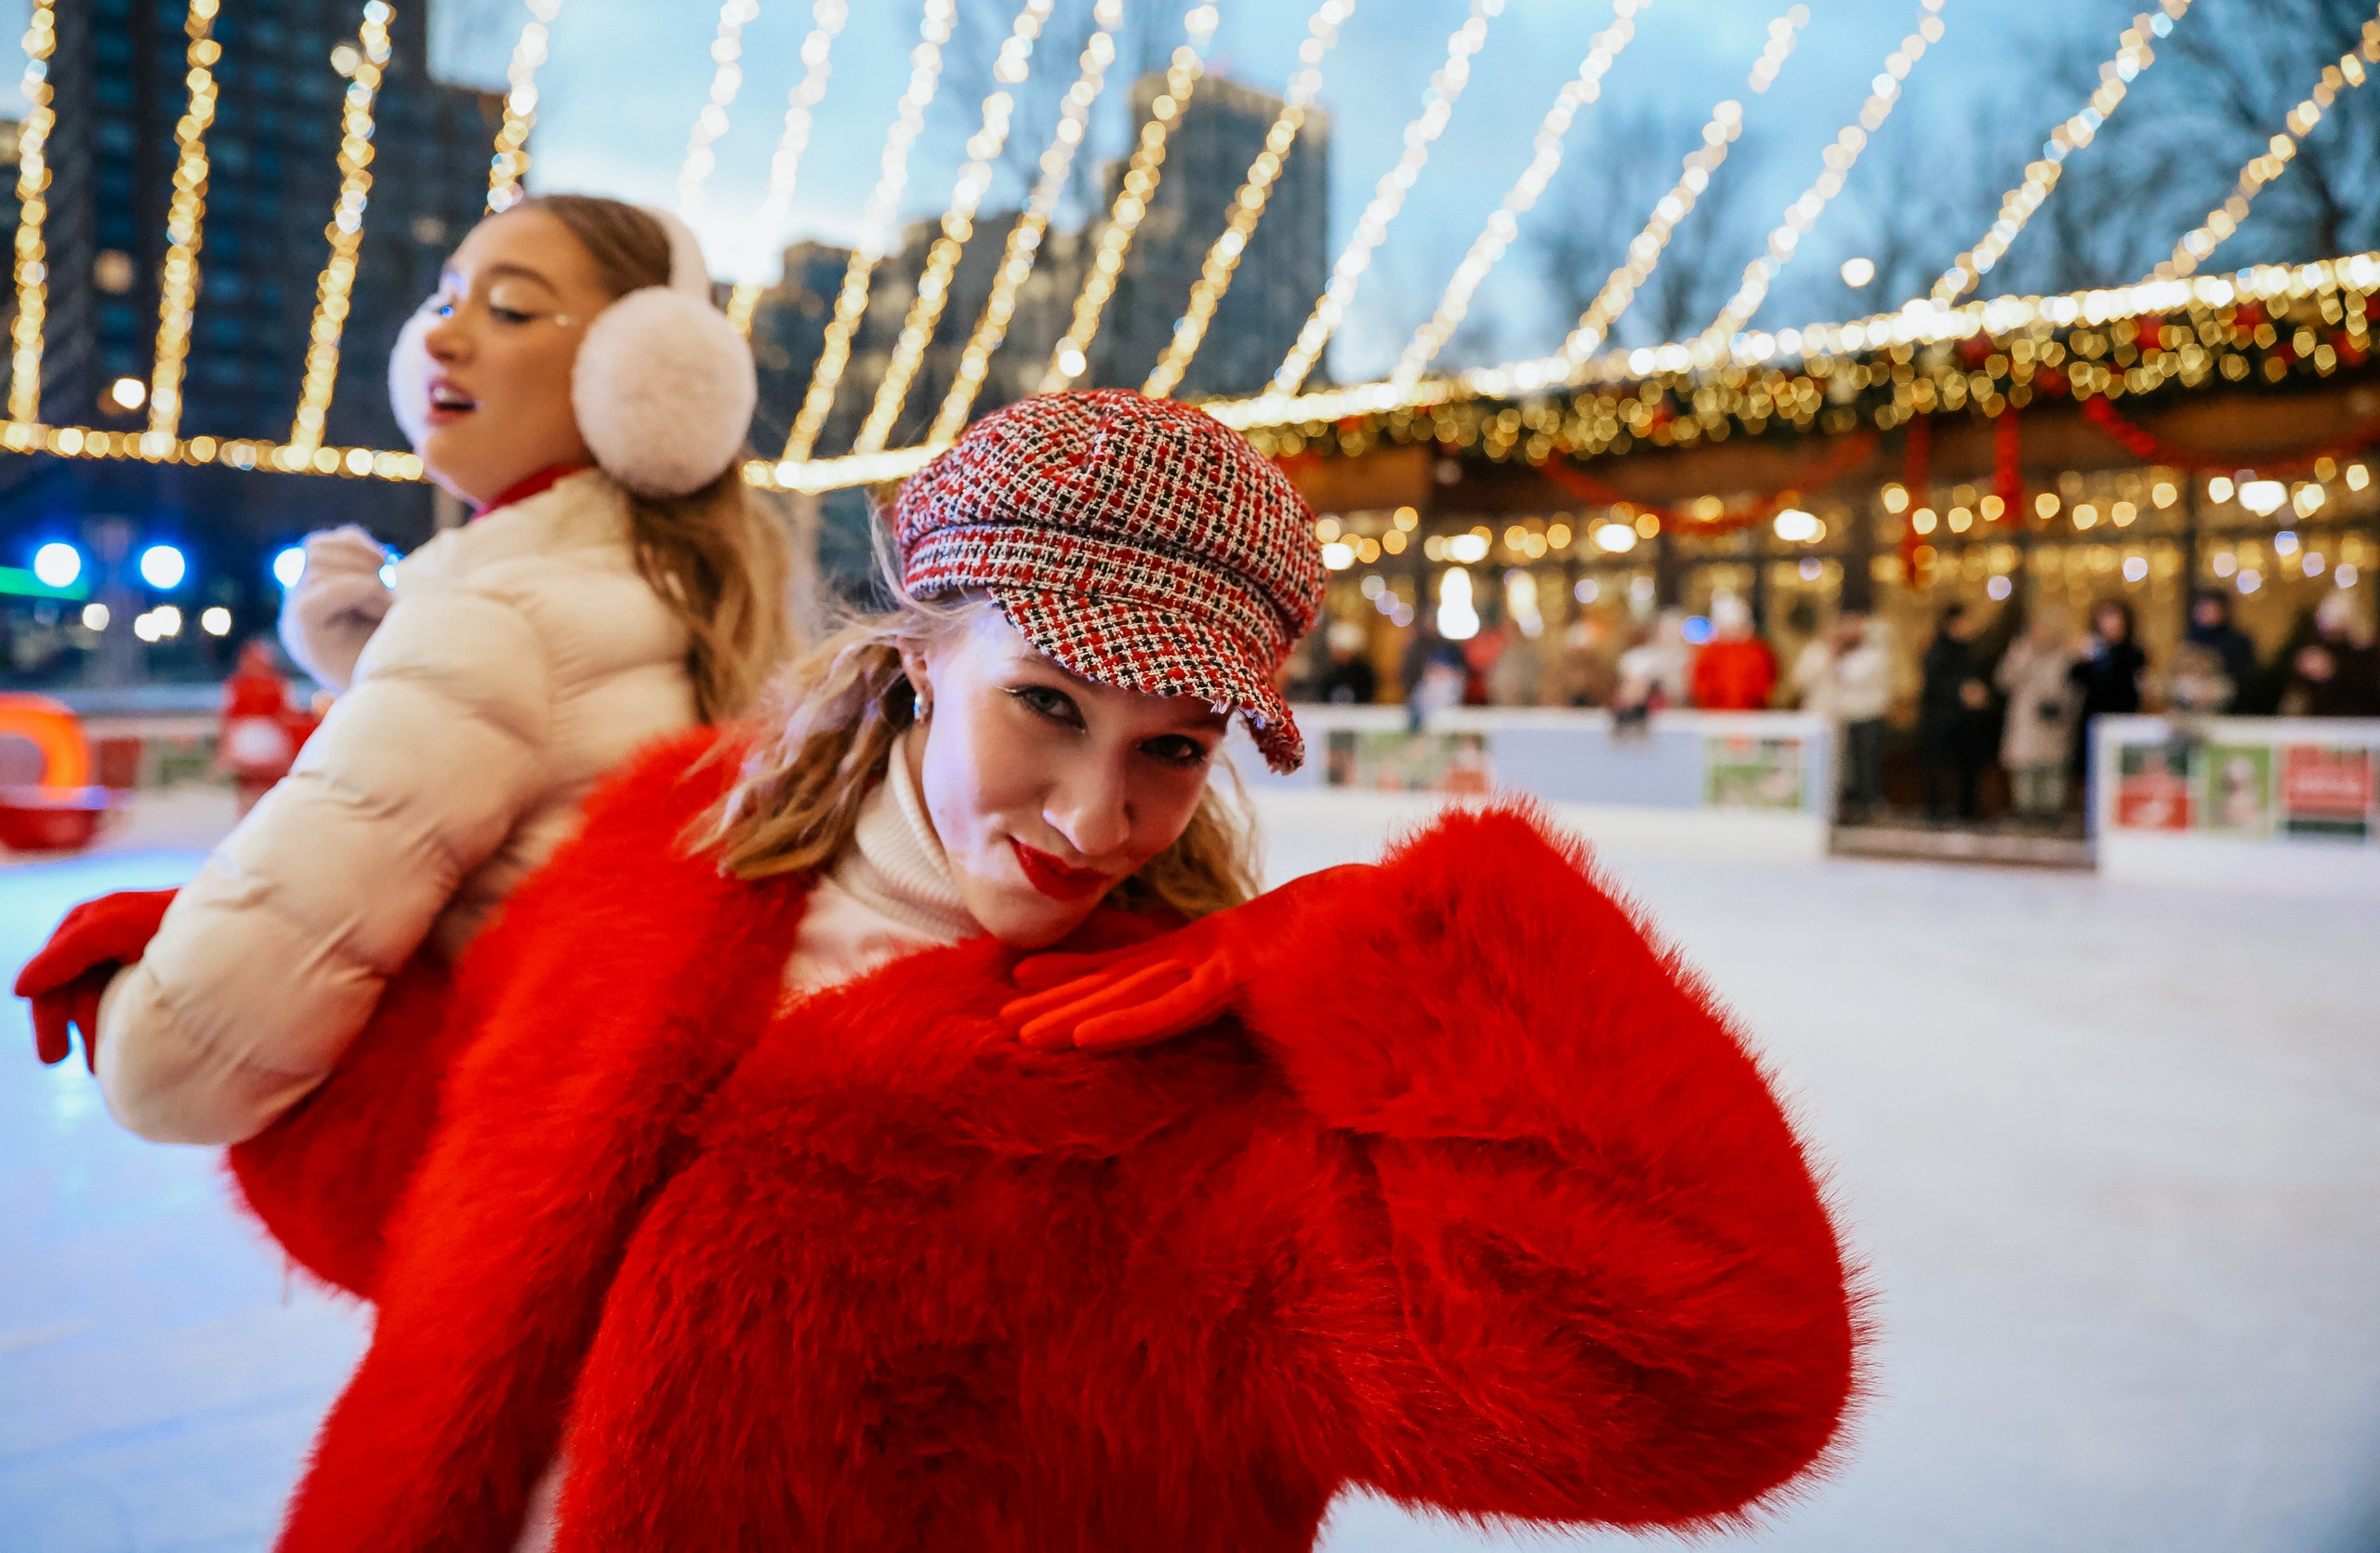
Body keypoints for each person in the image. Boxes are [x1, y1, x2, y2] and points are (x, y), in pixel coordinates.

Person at [230, 392, 1857, 1552]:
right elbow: (442, 1221)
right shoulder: (666, 855)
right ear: (924, 651)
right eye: (1051, 706)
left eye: (1174, 747)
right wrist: (247, 1000)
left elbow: (1712, 1382)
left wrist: (1395, 960)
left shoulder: (1200, 1112)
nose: (1094, 817)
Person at [18, 193, 792, 1164]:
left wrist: (137, 985)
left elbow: (182, 1066)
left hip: (489, 1175)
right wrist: (378, 669)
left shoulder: (492, 621)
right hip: (631, 1160)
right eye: (445, 299)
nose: (443, 337)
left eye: (510, 309)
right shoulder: (690, 598)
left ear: (645, 376)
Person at [1793, 612, 1892, 819]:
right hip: (1817, 715)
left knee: (1839, 766)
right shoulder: (1814, 653)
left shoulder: (1853, 656)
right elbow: (1799, 681)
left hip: (1840, 717)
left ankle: (1836, 806)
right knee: (1814, 762)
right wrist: (1827, 660)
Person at [217, 638, 316, 818]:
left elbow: (286, 712)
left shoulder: (277, 684)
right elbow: (229, 716)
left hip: (269, 736)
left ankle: (269, 814)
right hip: (247, 737)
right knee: (247, 783)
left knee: (270, 781)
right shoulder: (237, 684)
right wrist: (226, 745)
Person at [1995, 605, 2075, 823]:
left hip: (2054, 728)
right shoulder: (2022, 652)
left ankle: (2050, 818)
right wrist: (2022, 656)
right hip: (2026, 728)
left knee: (2052, 782)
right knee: (2025, 782)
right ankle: (2025, 817)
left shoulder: (2066, 656)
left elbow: (2074, 691)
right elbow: (2003, 681)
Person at [1919, 603, 1993, 822]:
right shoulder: (1937, 649)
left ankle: (1967, 808)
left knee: (1967, 766)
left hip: (1966, 721)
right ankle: (1938, 808)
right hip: (1941, 719)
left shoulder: (1971, 649)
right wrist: (1961, 691)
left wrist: (1979, 693)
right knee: (1940, 768)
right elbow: (1934, 682)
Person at [2068, 597, 2146, 789]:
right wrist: (2082, 657)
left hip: (2123, 719)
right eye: (2105, 616)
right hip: (2094, 718)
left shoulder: (2132, 652)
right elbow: (2075, 678)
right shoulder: (2092, 649)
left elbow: (2133, 683)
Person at [2278, 589, 2380, 717]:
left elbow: (2368, 691)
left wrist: (2332, 670)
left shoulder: (2365, 653)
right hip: (2319, 721)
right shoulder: (2314, 646)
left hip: (2356, 721)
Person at [1690, 592, 1778, 710]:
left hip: (1751, 713)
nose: (1731, 631)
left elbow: (1765, 683)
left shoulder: (1756, 652)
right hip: (1715, 713)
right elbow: (1701, 684)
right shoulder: (1709, 653)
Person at [2183, 588, 2258, 713]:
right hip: (2191, 708)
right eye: (2201, 608)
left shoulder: (2238, 643)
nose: (2205, 612)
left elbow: (2245, 680)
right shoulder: (2189, 641)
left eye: (2211, 608)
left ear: (2223, 611)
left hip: (2230, 709)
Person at [1314, 619, 1377, 705]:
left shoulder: (1362, 672)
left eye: (1341, 651)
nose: (1338, 654)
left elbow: (1366, 696)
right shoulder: (1329, 671)